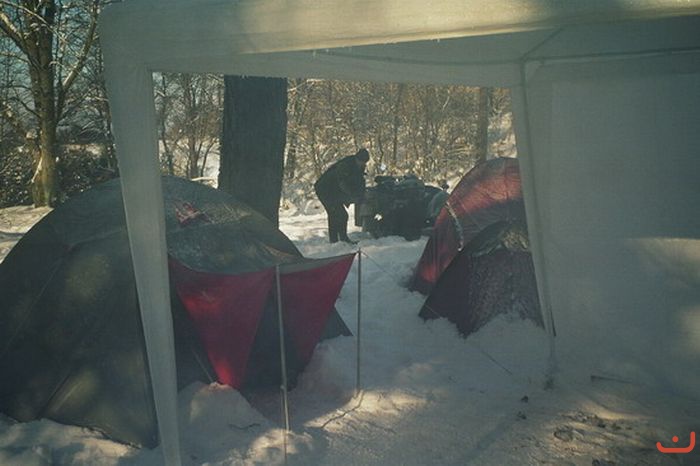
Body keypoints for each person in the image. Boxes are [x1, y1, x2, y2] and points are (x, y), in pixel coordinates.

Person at [314, 148, 369, 243]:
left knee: (341, 215)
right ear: (357, 158)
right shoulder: (345, 165)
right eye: (361, 161)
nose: (362, 164)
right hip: (324, 189)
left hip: (334, 190)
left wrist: (361, 194)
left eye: (364, 162)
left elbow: (359, 181)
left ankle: (342, 239)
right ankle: (335, 240)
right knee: (336, 214)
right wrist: (352, 195)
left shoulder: (360, 167)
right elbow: (343, 184)